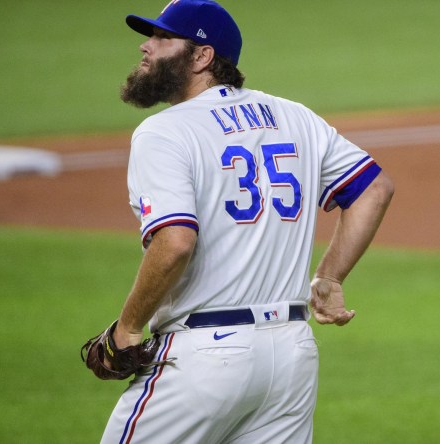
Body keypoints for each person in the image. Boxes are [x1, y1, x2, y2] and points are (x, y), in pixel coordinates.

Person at [100, 0, 394, 442]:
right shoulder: (296, 117)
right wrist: (330, 277)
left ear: (202, 56)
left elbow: (176, 242)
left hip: (203, 358)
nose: (147, 47)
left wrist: (127, 328)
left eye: (163, 38)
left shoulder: (165, 131)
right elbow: (374, 189)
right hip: (291, 357)